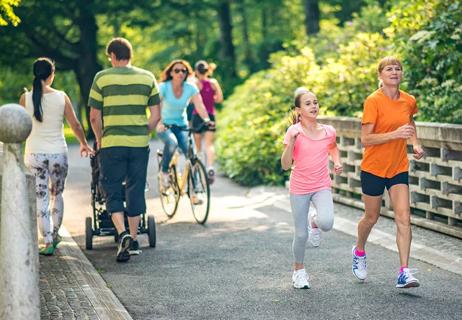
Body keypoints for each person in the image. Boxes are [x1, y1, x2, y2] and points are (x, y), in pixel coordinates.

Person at [351, 56, 424, 288]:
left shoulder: (409, 100)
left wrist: (415, 143)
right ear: (380, 75)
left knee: (404, 218)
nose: (394, 72)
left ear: (402, 74)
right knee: (371, 217)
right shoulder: (373, 101)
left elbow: (410, 123)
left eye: (398, 68)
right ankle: (359, 250)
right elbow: (365, 139)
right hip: (373, 168)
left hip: (398, 167)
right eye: (389, 69)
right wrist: (394, 135)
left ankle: (404, 271)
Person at [89, 38, 161, 262]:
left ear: (112, 55)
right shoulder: (147, 77)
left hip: (112, 144)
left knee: (111, 188)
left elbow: (94, 116)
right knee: (136, 187)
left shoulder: (102, 78)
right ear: (130, 55)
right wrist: (144, 131)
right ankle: (135, 237)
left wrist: (100, 140)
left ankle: (122, 235)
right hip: (139, 144)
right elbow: (156, 116)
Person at [20, 57, 93, 256]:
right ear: (51, 75)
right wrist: (84, 143)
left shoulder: (25, 98)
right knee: (57, 195)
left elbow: (21, 126)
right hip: (58, 154)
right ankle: (55, 234)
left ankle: (48, 241)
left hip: (34, 153)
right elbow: (76, 125)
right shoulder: (61, 96)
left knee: (40, 197)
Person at [281, 88, 343, 289]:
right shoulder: (293, 131)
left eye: (315, 102)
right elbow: (284, 164)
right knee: (300, 235)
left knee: (327, 222)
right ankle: (299, 271)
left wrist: (337, 161)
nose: (313, 106)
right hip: (299, 187)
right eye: (308, 103)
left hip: (321, 184)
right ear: (299, 110)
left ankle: (314, 222)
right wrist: (292, 142)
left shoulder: (328, 130)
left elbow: (332, 147)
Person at [156, 59, 213, 189]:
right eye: (177, 70)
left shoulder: (190, 88)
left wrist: (207, 120)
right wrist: (159, 122)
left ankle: (195, 189)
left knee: (192, 155)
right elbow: (156, 105)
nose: (180, 73)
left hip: (182, 126)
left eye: (184, 70)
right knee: (172, 143)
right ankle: (164, 172)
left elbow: (200, 105)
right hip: (165, 126)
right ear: (171, 73)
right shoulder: (164, 87)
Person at [191, 60, 223, 183]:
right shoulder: (213, 83)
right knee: (209, 144)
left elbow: (190, 101)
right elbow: (219, 99)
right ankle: (210, 167)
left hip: (197, 116)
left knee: (198, 147)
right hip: (210, 115)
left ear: (196, 71)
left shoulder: (194, 83)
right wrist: (211, 97)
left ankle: (198, 171)